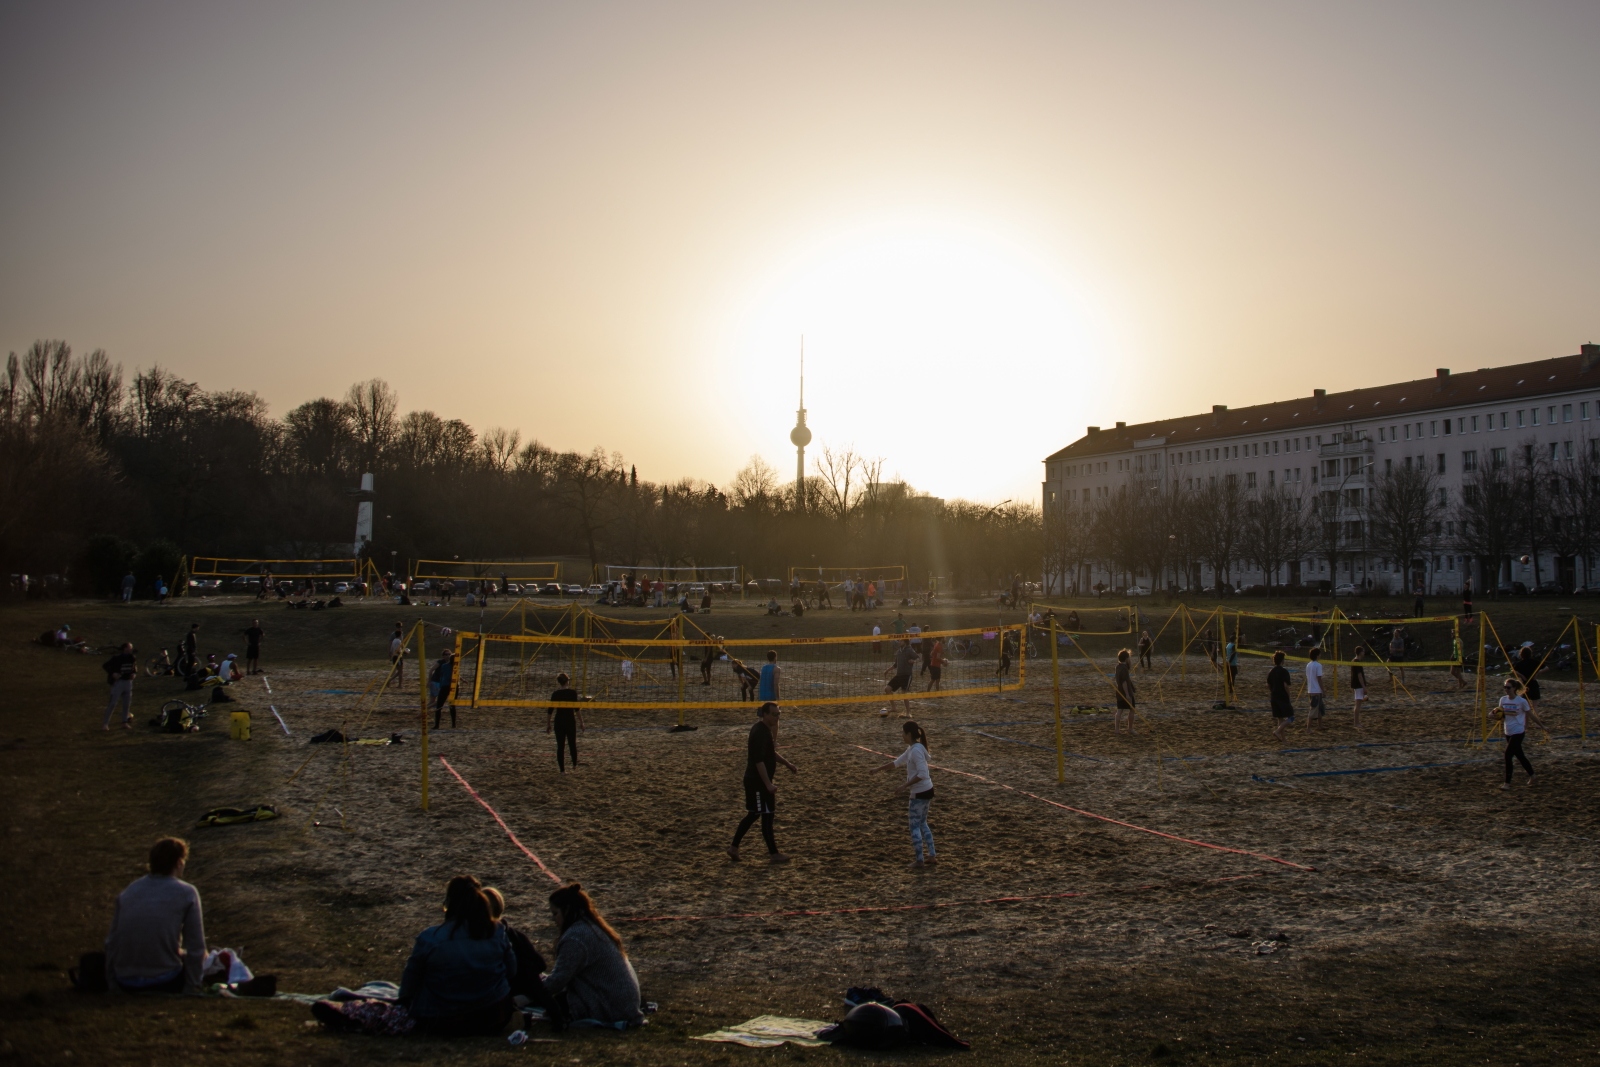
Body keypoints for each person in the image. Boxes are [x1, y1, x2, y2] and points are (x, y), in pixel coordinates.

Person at [393, 876, 516, 1035]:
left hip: (440, 1020)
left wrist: (404, 1001)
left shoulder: (430, 938)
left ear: (449, 902)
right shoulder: (497, 932)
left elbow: (410, 982)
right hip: (493, 1015)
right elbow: (512, 971)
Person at [103, 837, 206, 993]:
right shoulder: (187, 892)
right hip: (165, 980)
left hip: (124, 979)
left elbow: (111, 942)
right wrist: (191, 986)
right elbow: (196, 947)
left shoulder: (129, 891)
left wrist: (112, 982)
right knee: (204, 957)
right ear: (179, 862)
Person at [541, 884, 644, 1027]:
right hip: (623, 1005)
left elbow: (558, 981)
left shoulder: (576, 937)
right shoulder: (590, 927)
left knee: (550, 1003)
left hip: (611, 1008)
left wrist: (530, 990)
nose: (553, 920)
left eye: (555, 913)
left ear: (567, 910)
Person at [728, 702, 798, 863]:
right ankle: (773, 854)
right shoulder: (759, 732)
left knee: (755, 814)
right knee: (765, 815)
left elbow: (770, 753)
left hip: (757, 782)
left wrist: (787, 764)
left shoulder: (764, 730)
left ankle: (733, 847)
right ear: (765, 714)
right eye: (774, 714)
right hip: (758, 783)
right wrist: (768, 784)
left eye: (779, 714)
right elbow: (759, 761)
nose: (777, 717)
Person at [873, 720, 936, 868]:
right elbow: (897, 763)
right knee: (923, 823)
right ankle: (931, 856)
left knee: (914, 825)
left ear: (909, 734)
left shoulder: (915, 751)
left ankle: (919, 860)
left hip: (920, 792)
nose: (901, 735)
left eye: (903, 733)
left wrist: (904, 786)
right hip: (927, 790)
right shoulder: (914, 748)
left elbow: (922, 774)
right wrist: (878, 769)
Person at [481, 888, 551, 1010]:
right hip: (527, 988)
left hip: (509, 992)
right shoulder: (515, 934)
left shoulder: (487, 940)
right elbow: (540, 965)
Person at [1494, 679, 1544, 791]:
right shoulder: (1503, 700)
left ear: (1514, 688)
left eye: (1508, 687)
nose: (1506, 689)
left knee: (1508, 755)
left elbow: (1531, 715)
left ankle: (1507, 783)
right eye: (1505, 687)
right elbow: (1501, 715)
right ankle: (1533, 775)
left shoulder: (1521, 701)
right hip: (1508, 731)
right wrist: (1493, 715)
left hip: (1518, 731)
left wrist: (1542, 726)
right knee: (1520, 755)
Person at [546, 672, 586, 772]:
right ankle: (574, 765)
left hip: (559, 721)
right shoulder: (572, 693)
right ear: (567, 681)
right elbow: (577, 709)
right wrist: (582, 722)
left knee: (560, 746)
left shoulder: (555, 694)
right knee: (572, 743)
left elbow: (550, 711)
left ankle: (562, 771)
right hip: (570, 721)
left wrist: (548, 724)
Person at [102, 642, 137, 731]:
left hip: (128, 682)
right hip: (118, 682)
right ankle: (105, 723)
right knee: (113, 703)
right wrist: (112, 673)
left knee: (126, 703)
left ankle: (124, 722)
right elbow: (105, 665)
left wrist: (134, 674)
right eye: (130, 647)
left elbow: (134, 668)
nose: (131, 649)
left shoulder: (132, 658)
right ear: (125, 648)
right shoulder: (117, 658)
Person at [882, 639, 917, 717]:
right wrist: (887, 670)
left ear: (905, 642)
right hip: (899, 675)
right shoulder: (899, 652)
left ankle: (908, 713)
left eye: (901, 641)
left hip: (907, 675)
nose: (899, 642)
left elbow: (919, 658)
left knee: (904, 694)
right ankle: (894, 707)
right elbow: (896, 664)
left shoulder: (909, 650)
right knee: (887, 689)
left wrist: (913, 661)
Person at [1267, 651, 1294, 741]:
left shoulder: (1271, 671)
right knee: (1291, 717)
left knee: (1280, 719)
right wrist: (1289, 695)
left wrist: (1273, 692)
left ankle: (1283, 739)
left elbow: (1269, 685)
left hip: (1274, 696)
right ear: (1282, 661)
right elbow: (1285, 686)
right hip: (1282, 696)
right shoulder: (1284, 671)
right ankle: (1277, 731)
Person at [432, 650, 458, 729]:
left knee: (439, 706)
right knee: (452, 706)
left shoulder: (444, 666)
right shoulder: (456, 667)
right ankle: (453, 724)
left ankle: (437, 725)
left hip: (445, 686)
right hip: (454, 687)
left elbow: (442, 675)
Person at [1113, 648, 1137, 734]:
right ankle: (1130, 729)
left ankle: (1116, 729)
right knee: (1132, 709)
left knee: (1120, 710)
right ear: (1126, 659)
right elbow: (1124, 682)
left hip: (1119, 691)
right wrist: (1127, 694)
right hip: (1125, 691)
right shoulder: (1124, 668)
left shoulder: (1118, 667)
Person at [1514, 643, 1543, 711]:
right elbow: (1546, 667)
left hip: (1524, 684)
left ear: (1521, 654)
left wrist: (1521, 675)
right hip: (1533, 684)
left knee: (1524, 704)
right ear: (1530, 653)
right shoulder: (1535, 662)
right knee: (1534, 704)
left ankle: (1525, 719)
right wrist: (1537, 674)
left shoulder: (1520, 663)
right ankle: (1536, 719)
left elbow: (1514, 670)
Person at [1304, 647, 1326, 731]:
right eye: (1319, 654)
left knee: (1319, 708)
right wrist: (1323, 690)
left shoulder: (1308, 664)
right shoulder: (1318, 665)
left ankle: (1320, 725)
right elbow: (1319, 679)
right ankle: (1308, 728)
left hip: (1311, 689)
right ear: (1317, 655)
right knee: (1313, 709)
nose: (1320, 655)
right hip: (1316, 690)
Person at [1349, 646, 1368, 727]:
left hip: (1355, 685)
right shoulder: (1357, 662)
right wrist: (1364, 686)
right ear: (1360, 652)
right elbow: (1359, 675)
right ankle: (1356, 723)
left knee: (1358, 704)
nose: (1364, 653)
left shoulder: (1354, 661)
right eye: (1363, 651)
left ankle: (1356, 722)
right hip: (1358, 685)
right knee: (1358, 704)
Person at [388, 624, 406, 688]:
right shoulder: (398, 641)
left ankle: (391, 680)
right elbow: (397, 650)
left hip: (395, 656)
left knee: (399, 671)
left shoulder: (395, 641)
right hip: (398, 656)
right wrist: (404, 652)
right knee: (400, 671)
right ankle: (399, 685)